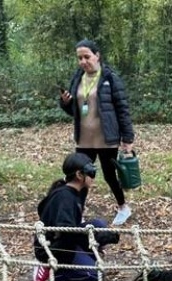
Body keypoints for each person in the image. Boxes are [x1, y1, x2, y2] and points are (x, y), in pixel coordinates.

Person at [59, 39, 135, 226]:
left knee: (110, 175)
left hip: (106, 138)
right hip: (84, 139)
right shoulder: (77, 78)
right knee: (80, 176)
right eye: (80, 58)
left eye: (87, 57)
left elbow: (122, 109)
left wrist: (127, 138)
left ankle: (123, 208)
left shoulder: (110, 78)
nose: (83, 61)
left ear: (97, 56)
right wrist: (65, 103)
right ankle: (77, 212)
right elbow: (74, 110)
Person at [33, 152, 120, 281]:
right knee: (96, 275)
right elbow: (66, 232)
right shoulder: (65, 197)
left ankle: (81, 257)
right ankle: (51, 270)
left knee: (99, 225)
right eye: (91, 172)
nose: (93, 176)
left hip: (67, 241)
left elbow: (74, 226)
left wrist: (98, 235)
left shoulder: (77, 191)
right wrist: (97, 236)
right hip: (53, 248)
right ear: (79, 175)